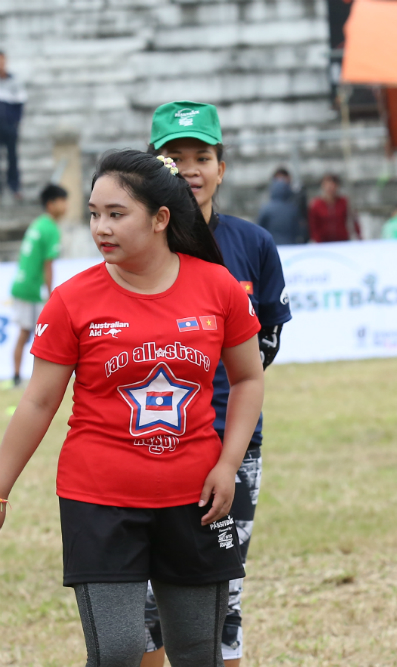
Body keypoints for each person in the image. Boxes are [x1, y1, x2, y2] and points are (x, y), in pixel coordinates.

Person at [0, 149, 265, 667]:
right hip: (98, 500)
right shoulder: (72, 300)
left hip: (196, 498)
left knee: (197, 653)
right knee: (119, 652)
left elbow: (249, 377)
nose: (101, 227)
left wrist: (229, 464)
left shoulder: (218, 287)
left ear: (161, 219)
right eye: (95, 214)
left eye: (116, 214)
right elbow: (38, 400)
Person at [143, 101, 292, 667]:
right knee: (145, 599)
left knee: (223, 591)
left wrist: (219, 386)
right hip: (149, 442)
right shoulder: (135, 245)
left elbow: (268, 343)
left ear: (221, 167)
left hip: (233, 442)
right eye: (173, 158)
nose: (189, 170)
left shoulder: (253, 244)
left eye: (201, 156)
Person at [10, 184, 66, 386]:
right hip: (31, 289)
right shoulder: (50, 228)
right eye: (62, 201)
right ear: (51, 204)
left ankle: (19, 377)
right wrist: (51, 295)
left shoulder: (39, 224)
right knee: (35, 334)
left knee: (28, 333)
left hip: (21, 284)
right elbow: (48, 265)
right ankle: (22, 379)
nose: (66, 206)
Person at [0, 51, 26, 200]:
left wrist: (15, 123)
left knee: (12, 157)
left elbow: (20, 103)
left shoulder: (14, 81)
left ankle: (14, 186)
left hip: (9, 126)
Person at [257, 168, 304, 245]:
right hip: (290, 246)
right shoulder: (293, 208)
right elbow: (298, 230)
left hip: (272, 246)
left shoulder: (266, 208)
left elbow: (259, 229)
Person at [308, 173, 359, 242]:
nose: (329, 188)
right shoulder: (316, 205)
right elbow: (313, 226)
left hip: (342, 241)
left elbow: (353, 221)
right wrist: (317, 240)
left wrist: (359, 237)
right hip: (323, 242)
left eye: (332, 185)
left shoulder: (344, 202)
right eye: (326, 185)